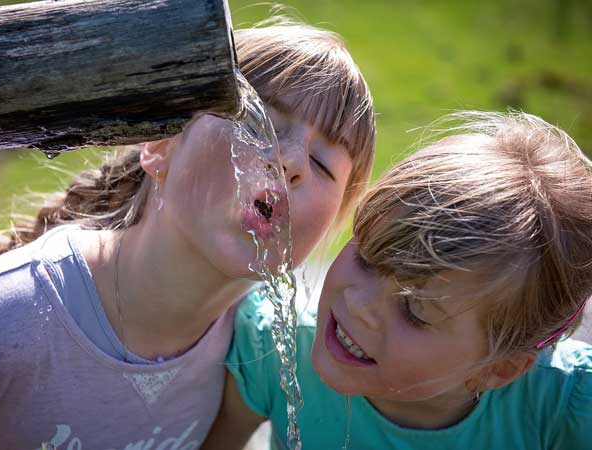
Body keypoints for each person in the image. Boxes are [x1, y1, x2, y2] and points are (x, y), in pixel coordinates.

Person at [0, 21, 375, 449]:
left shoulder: (257, 351)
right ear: (160, 145)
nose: (291, 163)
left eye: (322, 164)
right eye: (257, 123)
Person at [204, 111, 592, 450]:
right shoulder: (274, 350)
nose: (359, 303)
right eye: (367, 258)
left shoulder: (564, 409)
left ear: (499, 369)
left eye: (414, 310)